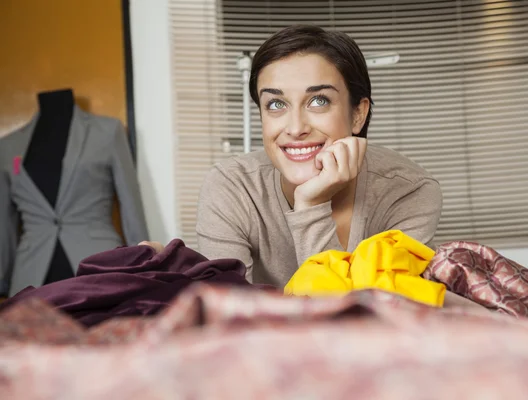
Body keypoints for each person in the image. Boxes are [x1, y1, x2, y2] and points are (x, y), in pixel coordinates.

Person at [142, 25, 443, 288]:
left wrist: (311, 204)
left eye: (319, 101)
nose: (296, 128)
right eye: (275, 104)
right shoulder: (232, 188)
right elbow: (227, 315)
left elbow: (366, 324)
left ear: (357, 114)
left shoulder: (407, 192)